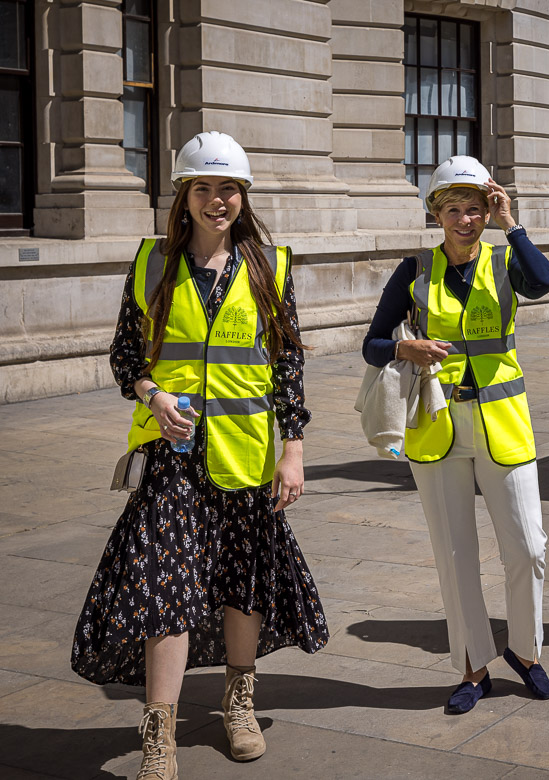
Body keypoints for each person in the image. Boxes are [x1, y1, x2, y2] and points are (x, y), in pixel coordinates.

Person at [71, 131, 329, 777]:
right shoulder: (152, 263)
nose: (218, 200)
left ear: (244, 196)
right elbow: (126, 356)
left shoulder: (272, 266)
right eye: (205, 188)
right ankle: (158, 733)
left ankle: (239, 701)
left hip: (245, 456)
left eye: (229, 188)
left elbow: (288, 365)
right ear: (183, 196)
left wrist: (292, 451)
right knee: (167, 587)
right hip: (171, 456)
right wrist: (152, 394)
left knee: (243, 587)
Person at [363, 156, 549, 714]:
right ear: (436, 213)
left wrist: (511, 223)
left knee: (528, 548)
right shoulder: (414, 270)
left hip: (503, 424)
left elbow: (543, 282)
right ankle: (473, 667)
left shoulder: (505, 261)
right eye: (454, 208)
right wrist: (406, 347)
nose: (466, 219)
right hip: (438, 426)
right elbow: (372, 344)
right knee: (455, 555)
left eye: (475, 207)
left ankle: (525, 652)